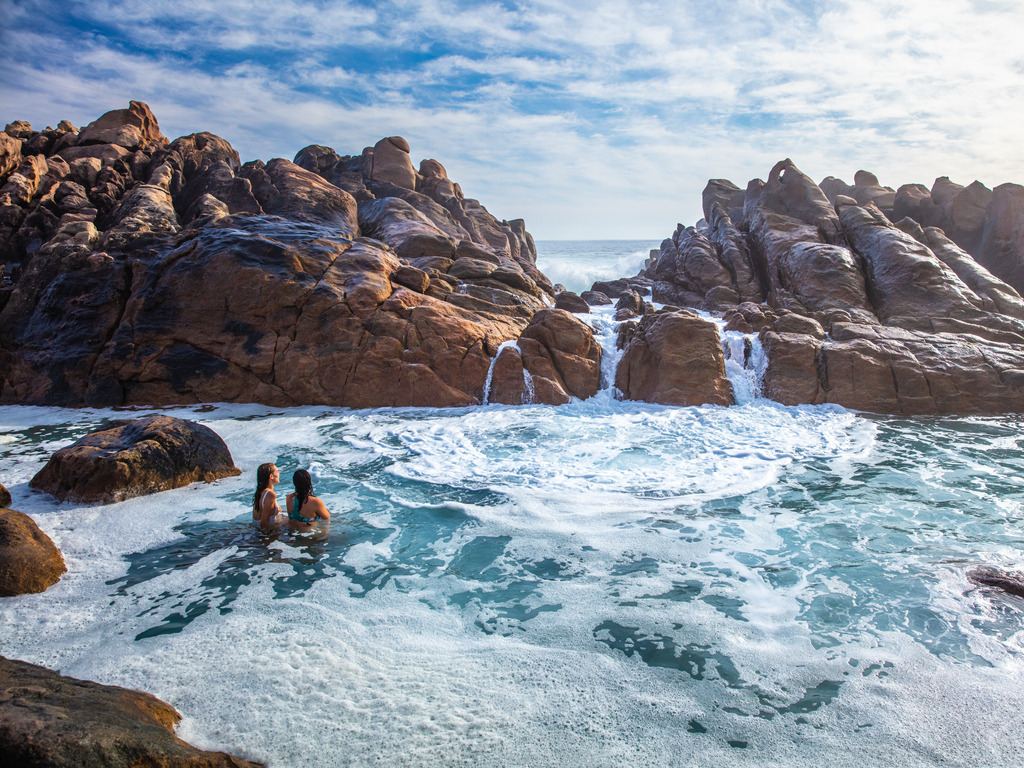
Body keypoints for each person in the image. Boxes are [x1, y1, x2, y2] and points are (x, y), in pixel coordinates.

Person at [252, 462, 282, 528]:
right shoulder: (269, 494)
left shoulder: (260, 492)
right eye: (277, 471)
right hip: (271, 532)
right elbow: (264, 523)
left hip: (258, 530)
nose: (279, 474)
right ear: (271, 476)